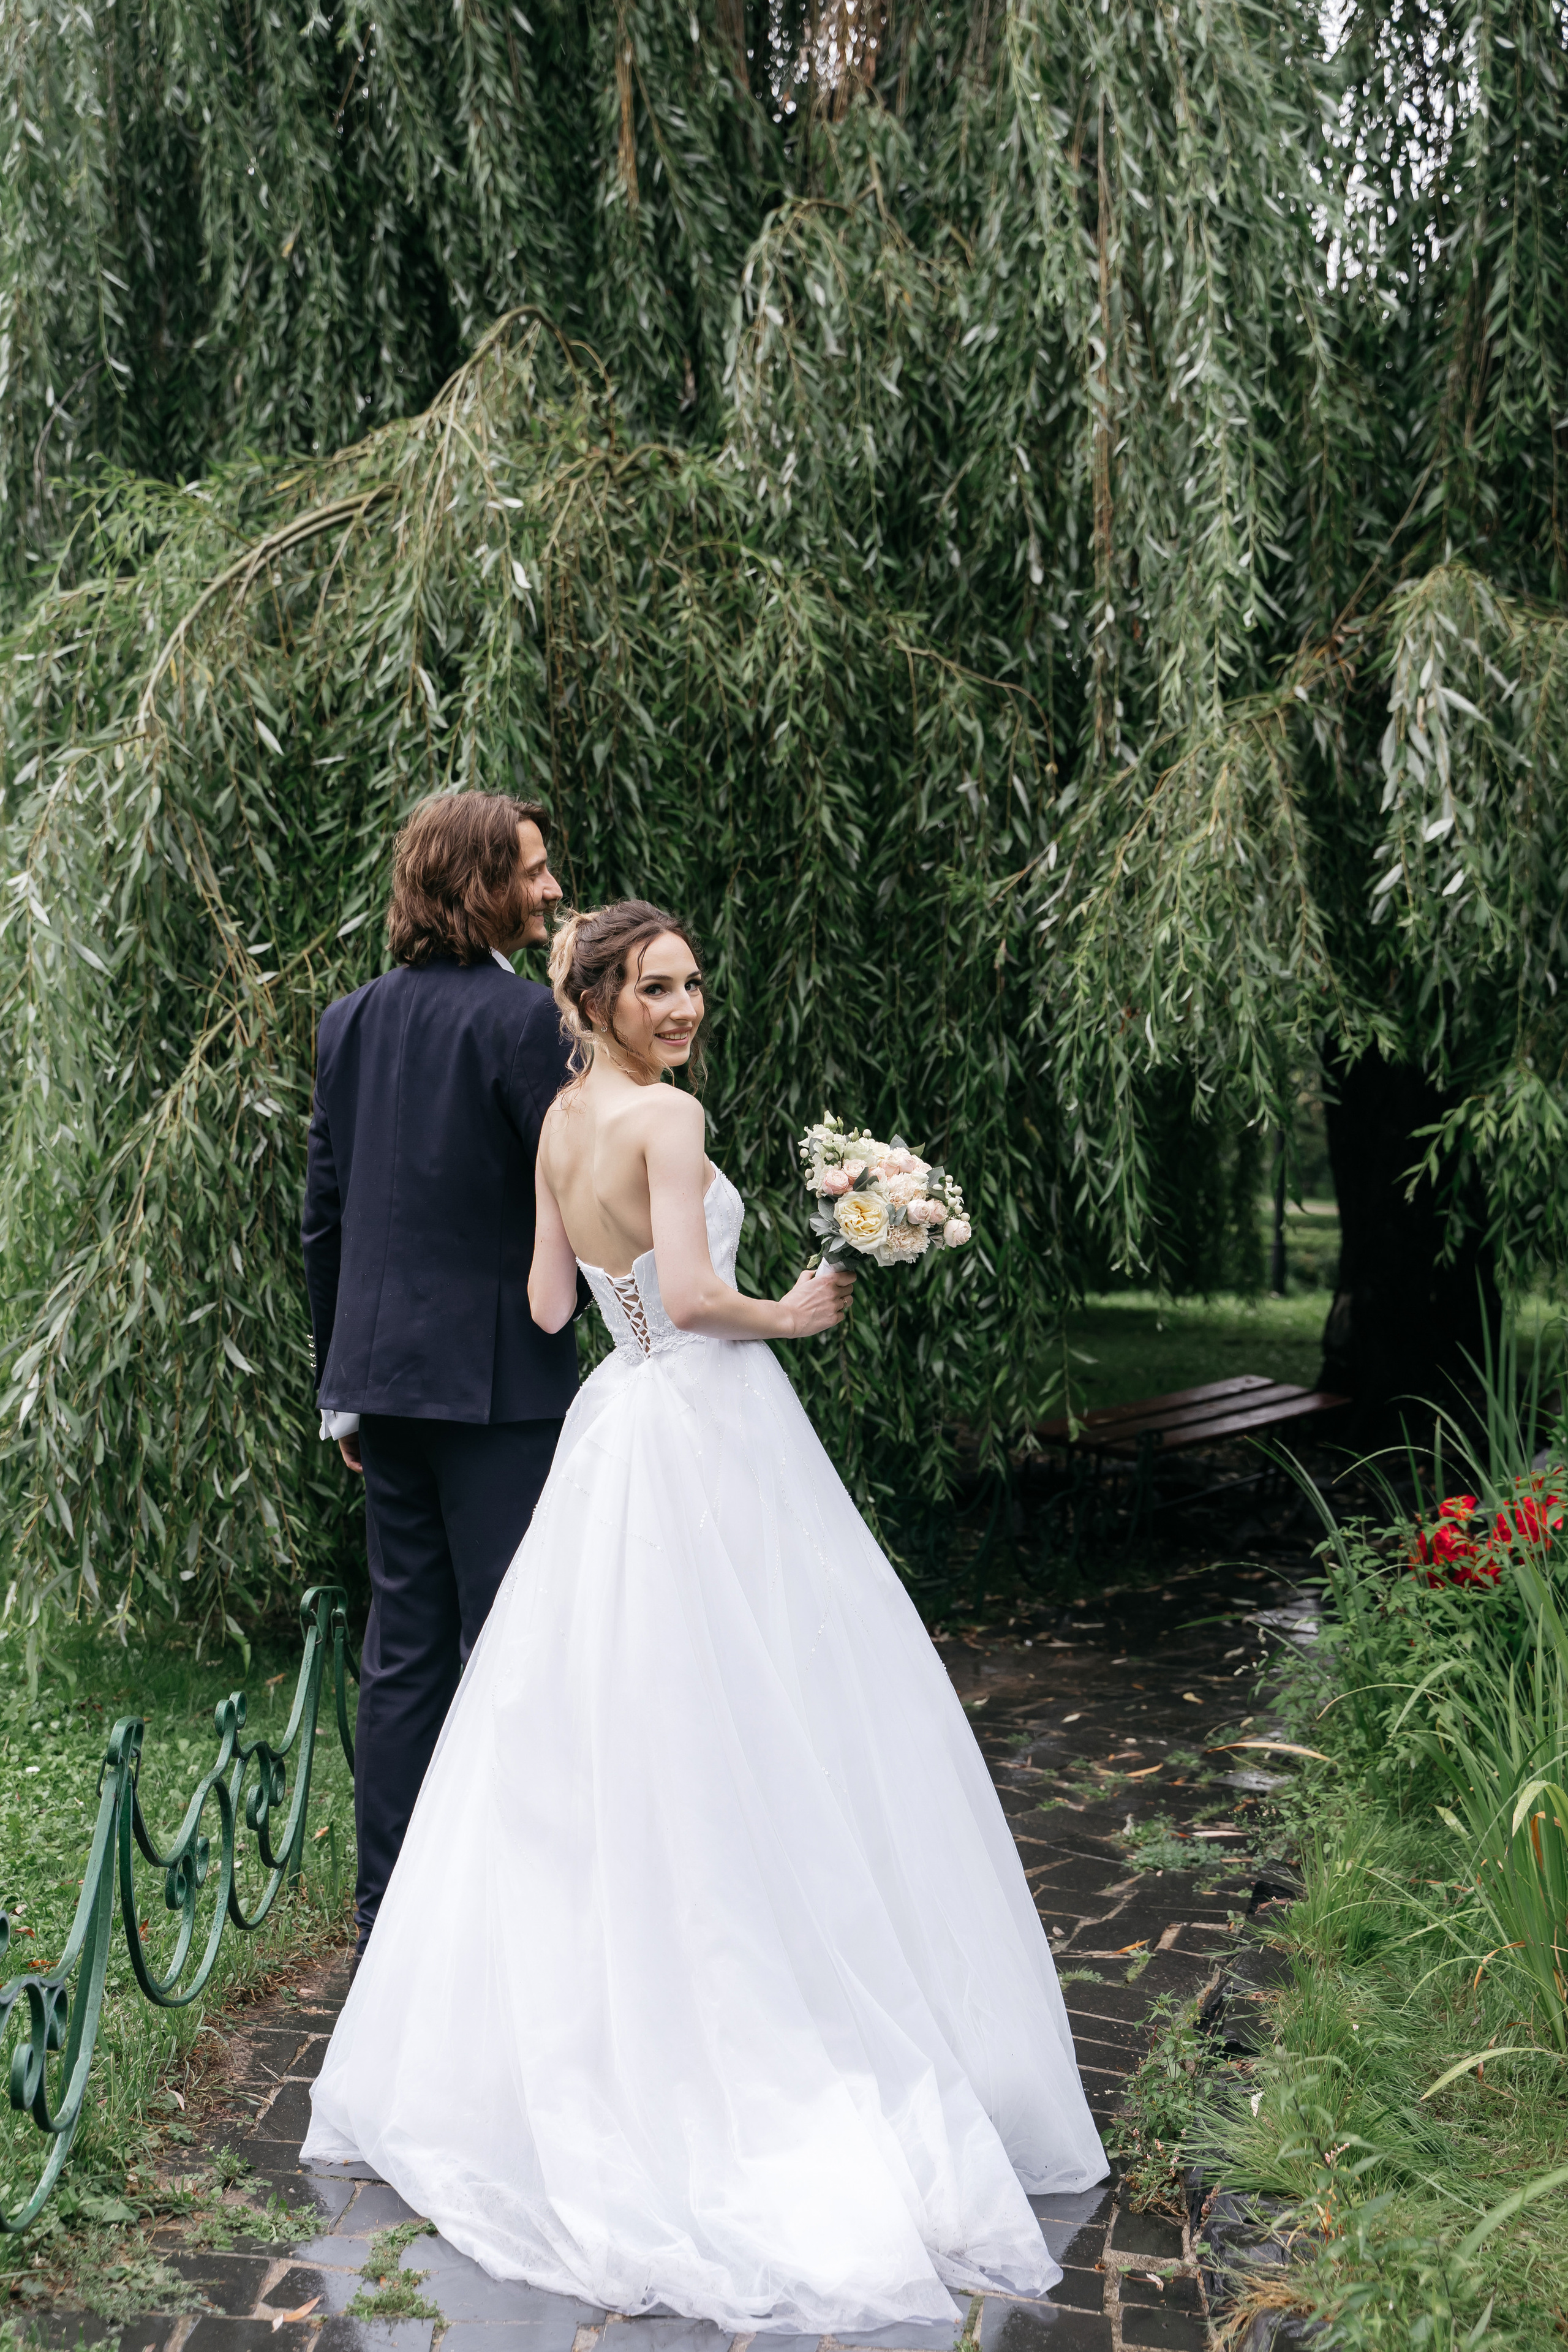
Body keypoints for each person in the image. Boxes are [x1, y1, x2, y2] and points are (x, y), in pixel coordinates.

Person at [302, 900, 1107, 2333]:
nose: (683, 1010)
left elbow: (554, 1306)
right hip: (708, 1423)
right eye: (655, 989)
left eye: (692, 987)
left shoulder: (560, 1122)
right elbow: (686, 1293)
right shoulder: (663, 1125)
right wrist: (789, 1311)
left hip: (618, 1424)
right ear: (598, 995)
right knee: (771, 1701)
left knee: (631, 1717)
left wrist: (643, 1306)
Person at [300, 790, 575, 1958]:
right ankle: (510, 1908)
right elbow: (572, 1195)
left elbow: (325, 1219)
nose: (552, 890)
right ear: (480, 886)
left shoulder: (347, 1021)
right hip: (499, 1387)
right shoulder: (525, 1026)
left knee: (404, 1645)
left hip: (385, 1380)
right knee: (516, 1637)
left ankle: (387, 1910)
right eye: (532, 872)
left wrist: (339, 1385)